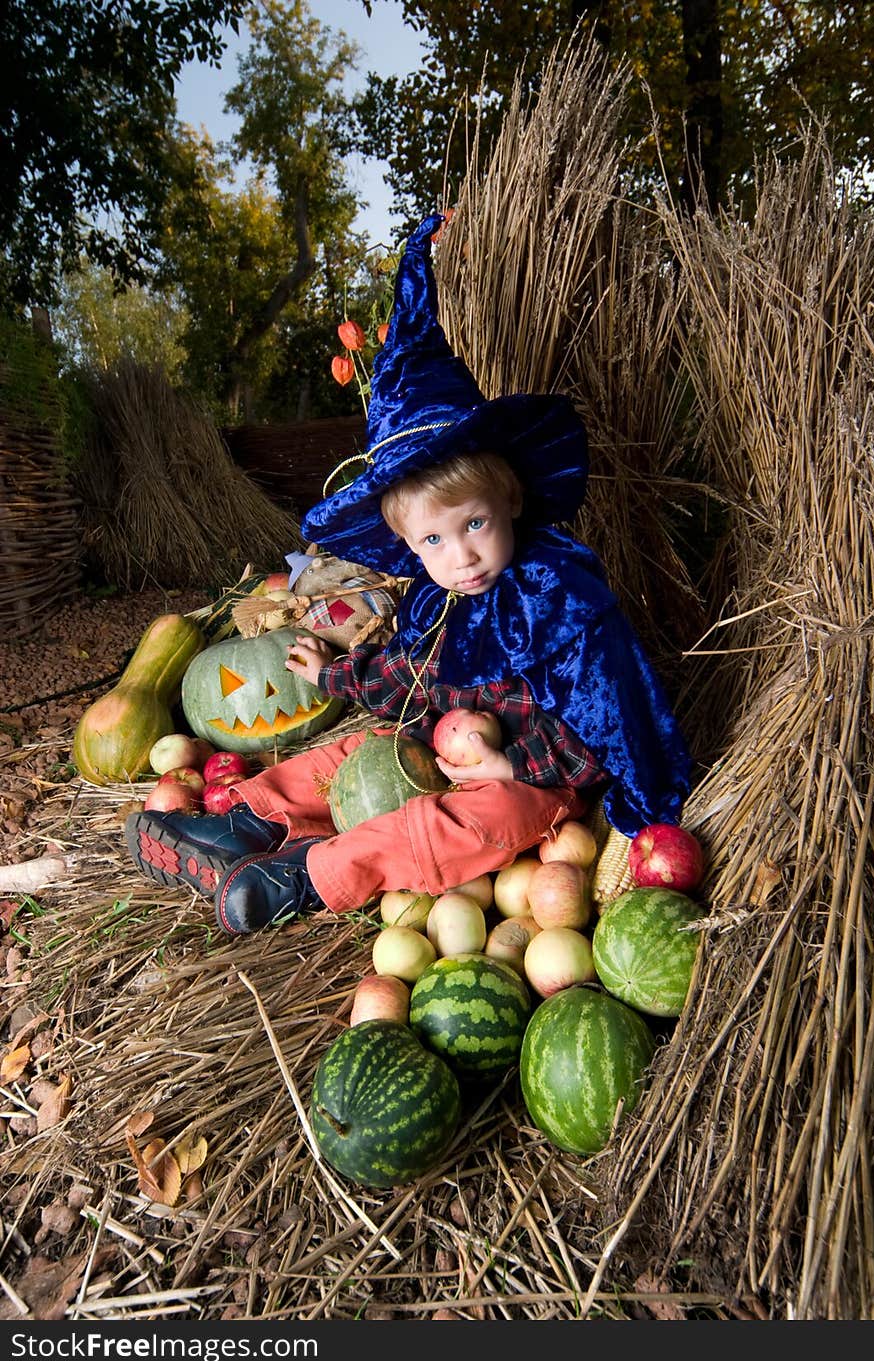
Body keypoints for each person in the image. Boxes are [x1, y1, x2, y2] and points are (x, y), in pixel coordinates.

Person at [125, 212, 692, 936]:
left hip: (540, 783)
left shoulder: (559, 590)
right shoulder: (435, 599)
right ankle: (243, 823)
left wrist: (509, 768)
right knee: (354, 752)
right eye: (434, 539)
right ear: (407, 545)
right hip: (435, 748)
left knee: (466, 822)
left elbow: (609, 716)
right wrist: (336, 674)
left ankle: (307, 876)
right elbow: (408, 678)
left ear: (511, 501)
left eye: (476, 524)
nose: (461, 555)